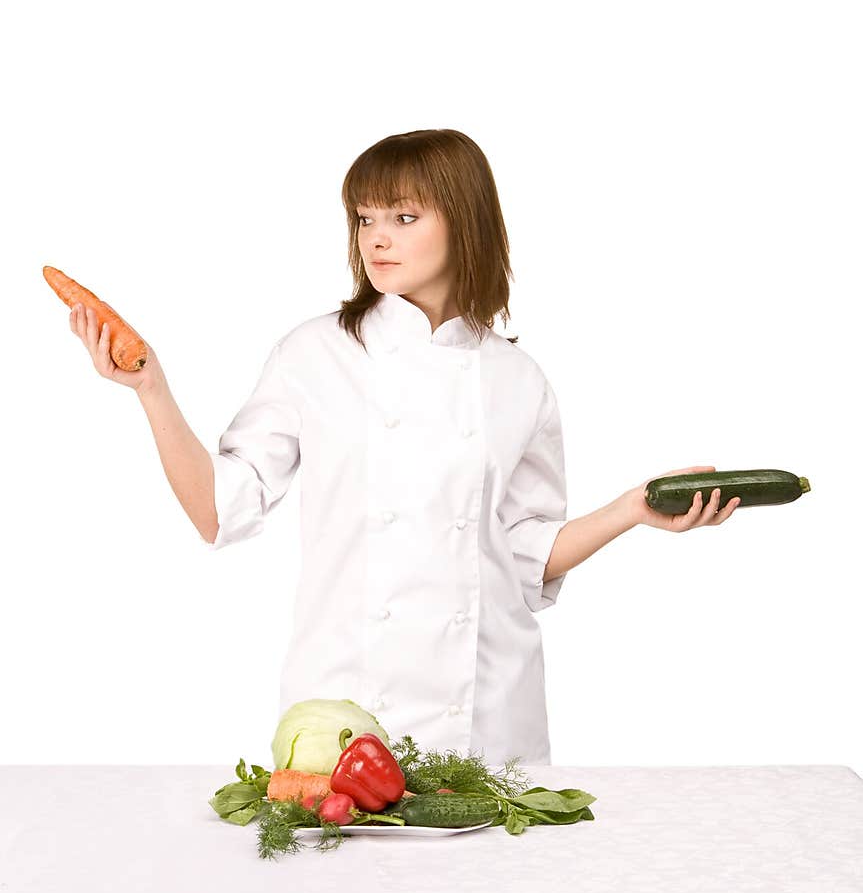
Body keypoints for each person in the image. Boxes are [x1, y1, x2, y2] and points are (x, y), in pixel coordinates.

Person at [69, 128, 740, 767]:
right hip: (347, 710)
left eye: (403, 217)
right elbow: (219, 510)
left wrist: (631, 511)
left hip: (486, 719)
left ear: (465, 222)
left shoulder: (518, 380)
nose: (377, 238)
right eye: (365, 220)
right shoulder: (315, 354)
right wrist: (151, 390)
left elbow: (525, 557)